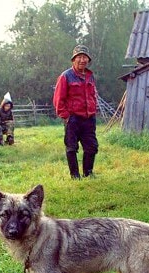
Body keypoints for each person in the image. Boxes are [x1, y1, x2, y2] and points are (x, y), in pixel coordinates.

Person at [53, 45, 98, 179]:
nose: (82, 60)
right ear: (73, 60)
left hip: (89, 118)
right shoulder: (65, 76)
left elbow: (93, 95)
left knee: (92, 147)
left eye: (85, 57)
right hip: (73, 118)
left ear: (88, 60)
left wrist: (93, 110)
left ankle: (88, 173)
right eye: (79, 57)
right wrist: (66, 117)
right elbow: (58, 99)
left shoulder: (90, 76)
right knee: (72, 148)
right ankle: (75, 175)